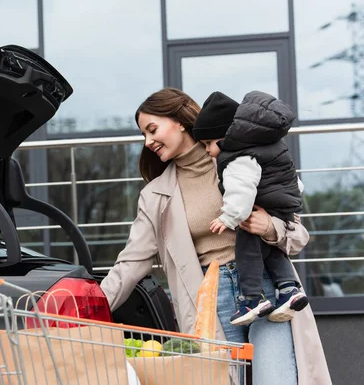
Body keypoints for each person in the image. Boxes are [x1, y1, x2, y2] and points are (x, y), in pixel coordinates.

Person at [100, 88, 331, 384]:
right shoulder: (154, 196)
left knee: (276, 378)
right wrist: (90, 304)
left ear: (179, 120)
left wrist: (269, 227)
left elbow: (298, 236)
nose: (148, 142)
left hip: (267, 289)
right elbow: (131, 263)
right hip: (211, 299)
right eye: (144, 135)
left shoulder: (244, 161)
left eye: (152, 129)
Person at [192, 90, 309, 326]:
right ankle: (288, 288)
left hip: (266, 203)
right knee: (271, 245)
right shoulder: (266, 144)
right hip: (282, 200)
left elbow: (241, 190)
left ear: (225, 136)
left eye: (208, 143)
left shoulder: (237, 157)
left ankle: (252, 298)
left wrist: (229, 217)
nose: (207, 150)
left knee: (246, 246)